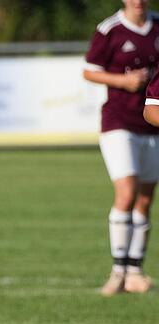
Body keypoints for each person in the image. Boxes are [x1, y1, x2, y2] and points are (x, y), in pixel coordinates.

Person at [84, 0, 159, 296]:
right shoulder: (109, 30)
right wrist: (123, 81)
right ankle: (117, 270)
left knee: (145, 199)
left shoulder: (157, 26)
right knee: (126, 192)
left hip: (152, 124)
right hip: (118, 122)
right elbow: (89, 71)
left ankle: (134, 272)